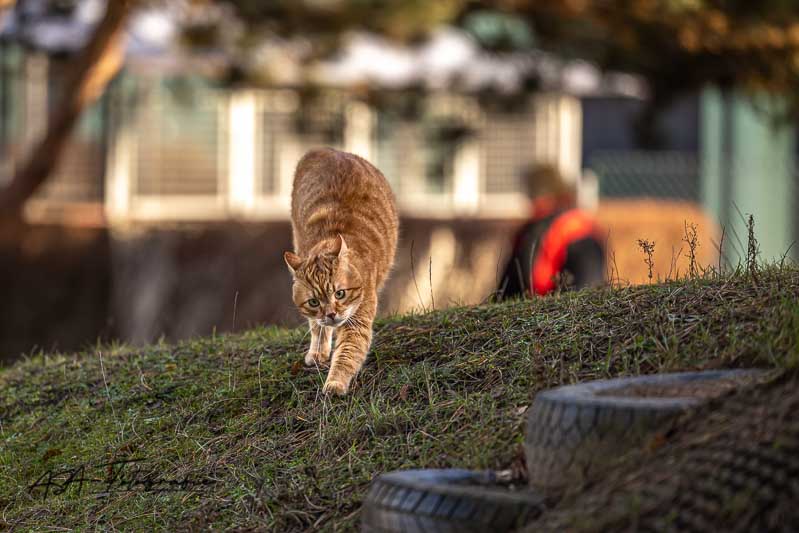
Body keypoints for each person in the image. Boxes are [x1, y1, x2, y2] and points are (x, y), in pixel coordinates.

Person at [498, 164, 605, 299]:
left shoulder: (568, 229)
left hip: (556, 311)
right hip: (553, 310)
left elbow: (508, 290)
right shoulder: (581, 224)